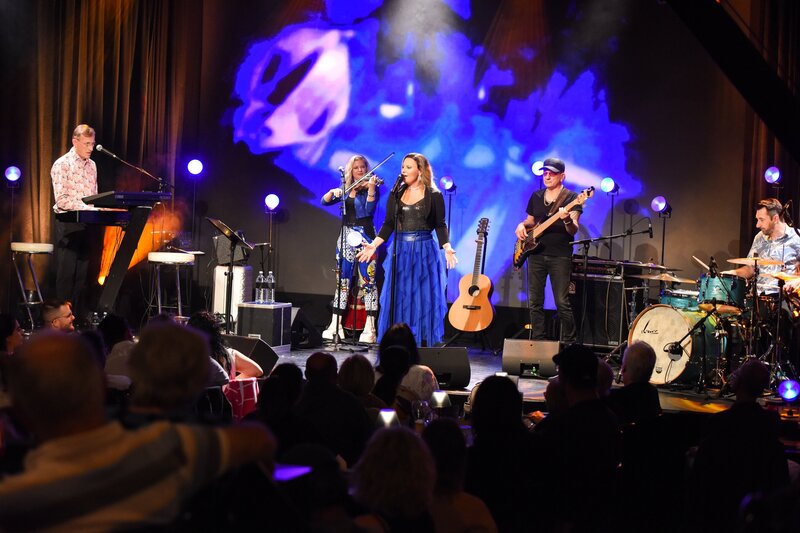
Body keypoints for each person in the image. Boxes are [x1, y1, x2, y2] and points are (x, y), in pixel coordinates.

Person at [0, 331, 276, 531]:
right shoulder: (168, 446)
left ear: (18, 409)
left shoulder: (16, 499)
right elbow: (259, 441)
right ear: (102, 384)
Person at [356, 153, 457, 346]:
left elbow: (440, 224)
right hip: (400, 250)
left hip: (424, 250)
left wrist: (447, 247)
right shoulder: (396, 193)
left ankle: (421, 342)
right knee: (400, 295)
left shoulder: (434, 195)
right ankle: (397, 340)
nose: (404, 170)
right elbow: (388, 224)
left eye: (409, 167)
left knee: (421, 297)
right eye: (403, 167)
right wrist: (374, 245)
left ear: (420, 170)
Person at [514, 157, 582, 343]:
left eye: (552, 173)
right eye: (545, 173)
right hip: (535, 254)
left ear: (562, 176)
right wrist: (521, 225)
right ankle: (538, 341)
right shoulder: (536, 196)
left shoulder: (572, 198)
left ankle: (570, 343)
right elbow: (531, 221)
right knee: (535, 302)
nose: (547, 176)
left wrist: (566, 219)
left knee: (562, 302)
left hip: (560, 256)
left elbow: (573, 229)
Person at [321, 155, 381, 343]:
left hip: (366, 238)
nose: (361, 170)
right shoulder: (346, 188)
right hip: (346, 237)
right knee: (342, 282)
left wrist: (371, 188)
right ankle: (335, 325)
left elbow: (368, 210)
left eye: (363, 167)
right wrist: (332, 192)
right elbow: (324, 201)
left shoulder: (371, 187)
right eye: (356, 167)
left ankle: (370, 328)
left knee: (368, 282)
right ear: (351, 170)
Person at [51, 124, 100, 325]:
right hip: (68, 224)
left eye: (92, 144)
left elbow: (93, 196)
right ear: (75, 142)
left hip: (87, 224)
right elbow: (62, 200)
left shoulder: (92, 165)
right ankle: (59, 321)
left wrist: (98, 208)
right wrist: (87, 208)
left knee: (82, 276)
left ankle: (77, 319)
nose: (90, 148)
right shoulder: (62, 164)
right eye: (86, 144)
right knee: (67, 274)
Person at [728, 198, 800, 293]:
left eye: (761, 220)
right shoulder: (759, 237)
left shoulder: (797, 237)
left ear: (775, 219)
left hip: (785, 297)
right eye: (757, 220)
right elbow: (751, 268)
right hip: (759, 296)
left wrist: (797, 281)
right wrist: (732, 273)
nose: (757, 225)